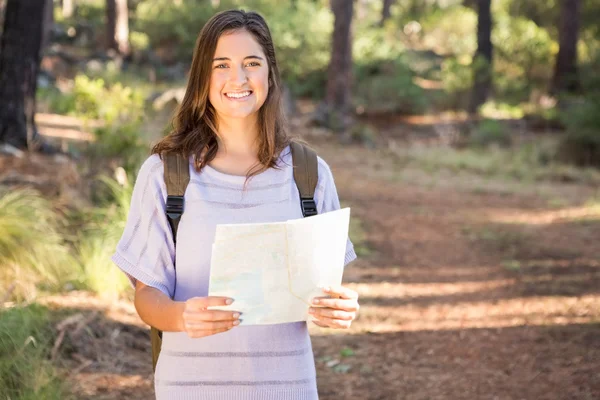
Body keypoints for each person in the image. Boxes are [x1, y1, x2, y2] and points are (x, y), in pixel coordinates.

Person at [112, 9, 359, 400]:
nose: (237, 78)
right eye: (221, 64)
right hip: (188, 389)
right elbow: (147, 296)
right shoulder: (165, 174)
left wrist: (338, 308)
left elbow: (324, 291)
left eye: (251, 64)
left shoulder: (309, 174)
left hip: (286, 388)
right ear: (202, 77)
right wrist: (180, 315)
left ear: (269, 75)